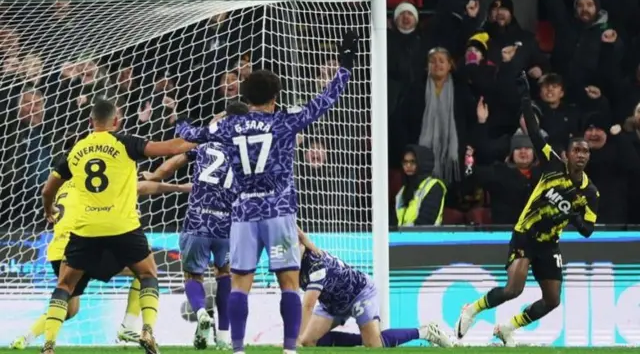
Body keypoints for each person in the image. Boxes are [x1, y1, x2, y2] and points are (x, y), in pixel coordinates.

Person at [176, 30, 358, 354]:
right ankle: (289, 350)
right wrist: (345, 66)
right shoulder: (284, 121)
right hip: (278, 211)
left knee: (239, 283)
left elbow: (193, 134)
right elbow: (325, 100)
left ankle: (236, 349)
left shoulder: (228, 125)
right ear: (275, 96)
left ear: (246, 98)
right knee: (288, 283)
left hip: (243, 212)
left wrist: (180, 122)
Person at [40, 98, 196, 354]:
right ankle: (146, 329)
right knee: (147, 275)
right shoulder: (125, 143)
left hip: (86, 229)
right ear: (117, 121)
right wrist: (202, 137)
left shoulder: (76, 151)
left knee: (65, 286)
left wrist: (49, 209)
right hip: (123, 227)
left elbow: (48, 190)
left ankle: (48, 346)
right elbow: (169, 148)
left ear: (91, 123)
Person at [454, 74, 599, 346]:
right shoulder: (553, 164)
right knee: (513, 289)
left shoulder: (591, 193)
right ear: (567, 154)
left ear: (588, 157)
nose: (580, 154)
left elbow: (589, 230)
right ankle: (471, 310)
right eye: (576, 150)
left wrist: (574, 216)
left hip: (549, 244)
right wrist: (525, 98)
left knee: (553, 300)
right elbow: (533, 131)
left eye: (585, 151)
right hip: (525, 234)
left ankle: (508, 327)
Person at [10, 178, 190, 349]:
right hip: (84, 245)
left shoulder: (63, 187)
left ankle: (25, 338)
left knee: (69, 308)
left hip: (57, 251)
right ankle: (128, 326)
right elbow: (135, 188)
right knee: (145, 271)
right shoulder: (95, 185)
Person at [141, 101, 249, 349]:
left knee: (193, 274)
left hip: (199, 218)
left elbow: (172, 164)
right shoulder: (247, 148)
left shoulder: (205, 140)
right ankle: (223, 336)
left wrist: (153, 176)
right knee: (224, 273)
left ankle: (201, 313)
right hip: (229, 221)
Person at [296, 242, 452, 348]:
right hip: (333, 303)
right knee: (308, 341)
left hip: (359, 293)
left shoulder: (315, 265)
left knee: (375, 345)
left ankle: (425, 331)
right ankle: (364, 339)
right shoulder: (292, 265)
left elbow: (308, 305)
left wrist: (294, 340)